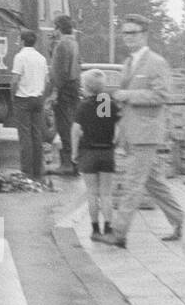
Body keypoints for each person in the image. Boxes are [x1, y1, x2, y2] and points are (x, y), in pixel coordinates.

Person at [95, 14, 185, 249]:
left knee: (132, 183)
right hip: (132, 132)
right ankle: (183, 224)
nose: (128, 38)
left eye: (133, 33)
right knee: (153, 183)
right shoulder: (128, 62)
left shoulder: (156, 62)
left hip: (146, 133)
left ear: (144, 34)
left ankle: (118, 233)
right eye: (125, 33)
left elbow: (163, 95)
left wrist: (129, 96)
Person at [73, 69, 120, 237]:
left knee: (92, 193)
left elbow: (76, 129)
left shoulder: (83, 105)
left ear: (86, 87)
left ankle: (95, 230)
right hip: (107, 152)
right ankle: (108, 228)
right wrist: (115, 142)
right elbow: (118, 128)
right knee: (106, 194)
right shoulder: (108, 103)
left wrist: (74, 152)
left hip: (89, 152)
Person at [10, 29, 48, 179]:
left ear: (22, 41)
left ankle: (26, 170)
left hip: (23, 99)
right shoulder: (41, 58)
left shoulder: (20, 57)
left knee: (25, 135)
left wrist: (12, 95)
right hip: (38, 98)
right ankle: (38, 169)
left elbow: (14, 80)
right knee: (37, 134)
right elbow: (46, 81)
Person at [48, 14, 81, 175]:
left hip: (64, 89)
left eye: (55, 27)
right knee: (70, 124)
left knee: (63, 126)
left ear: (58, 28)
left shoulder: (62, 45)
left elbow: (59, 71)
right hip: (73, 87)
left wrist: (54, 92)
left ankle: (67, 164)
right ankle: (73, 161)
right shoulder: (74, 42)